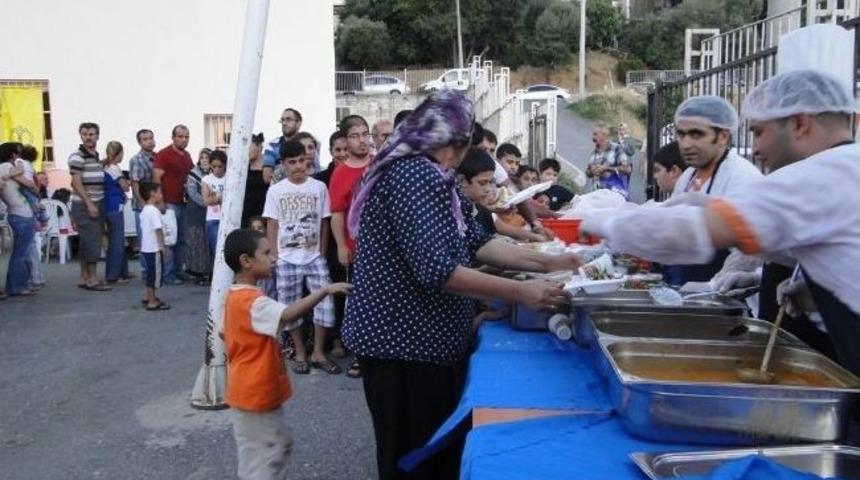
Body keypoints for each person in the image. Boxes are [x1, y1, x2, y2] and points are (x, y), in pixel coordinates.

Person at [343, 90, 581, 480]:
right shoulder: (413, 176)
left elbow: (477, 241)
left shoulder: (440, 178)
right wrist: (524, 291)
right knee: (413, 457)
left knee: (431, 453)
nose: (460, 151)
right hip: (403, 348)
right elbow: (439, 271)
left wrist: (550, 261)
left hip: (424, 345)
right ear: (448, 141)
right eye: (461, 142)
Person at [582, 70, 859, 374]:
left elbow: (688, 233)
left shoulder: (815, 178)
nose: (755, 148)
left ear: (800, 124)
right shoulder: (847, 168)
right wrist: (811, 291)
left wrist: (601, 223)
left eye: (758, 132)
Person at [222, 228, 351, 480]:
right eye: (267, 253)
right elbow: (289, 314)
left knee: (260, 451)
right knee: (270, 453)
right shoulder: (253, 301)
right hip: (255, 391)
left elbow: (222, 334)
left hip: (246, 389)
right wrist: (324, 291)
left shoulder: (233, 296)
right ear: (246, 261)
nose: (273, 258)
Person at [264, 139, 341, 376]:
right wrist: (274, 254)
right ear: (284, 164)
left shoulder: (318, 187)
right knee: (290, 305)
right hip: (286, 257)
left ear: (307, 160)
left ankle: (318, 351)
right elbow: (272, 223)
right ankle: (299, 351)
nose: (298, 166)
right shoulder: (276, 190)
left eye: (301, 161)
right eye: (292, 162)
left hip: (314, 255)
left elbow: (325, 221)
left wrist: (322, 249)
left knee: (325, 303)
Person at [669, 96, 763, 284]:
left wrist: (713, 287)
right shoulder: (688, 176)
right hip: (684, 281)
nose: (685, 144)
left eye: (696, 134)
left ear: (722, 137)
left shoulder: (742, 176)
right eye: (681, 134)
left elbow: (748, 251)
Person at [328, 115, 372, 378]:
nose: (362, 140)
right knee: (358, 301)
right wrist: (342, 246)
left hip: (384, 248)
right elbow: (337, 213)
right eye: (355, 136)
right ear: (345, 140)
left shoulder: (380, 164)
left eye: (365, 134)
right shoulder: (341, 172)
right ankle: (359, 353)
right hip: (357, 248)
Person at [314, 130, 349, 358]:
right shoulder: (321, 180)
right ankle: (336, 339)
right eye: (338, 150)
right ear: (330, 152)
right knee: (335, 290)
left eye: (346, 149)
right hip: (331, 243)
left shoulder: (365, 172)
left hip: (354, 239)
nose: (343, 154)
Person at [69, 122, 111, 291]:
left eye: (91, 134)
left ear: (97, 136)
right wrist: (89, 203)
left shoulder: (93, 156)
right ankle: (92, 279)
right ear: (81, 136)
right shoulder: (77, 156)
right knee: (92, 241)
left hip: (96, 202)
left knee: (87, 241)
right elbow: (76, 182)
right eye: (85, 134)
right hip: (86, 204)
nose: (88, 137)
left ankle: (84, 277)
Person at [153, 124, 194, 285]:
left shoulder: (187, 156)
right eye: (180, 136)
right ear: (173, 137)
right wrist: (160, 201)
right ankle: (168, 274)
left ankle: (179, 270)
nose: (184, 140)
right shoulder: (164, 155)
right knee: (170, 239)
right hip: (169, 203)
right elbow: (156, 178)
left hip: (183, 202)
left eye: (186, 137)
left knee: (182, 239)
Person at [0, 142, 37, 296]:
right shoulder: (8, 167)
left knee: (20, 252)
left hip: (15, 213)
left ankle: (16, 285)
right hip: (22, 213)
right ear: (13, 155)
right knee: (21, 252)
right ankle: (17, 286)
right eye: (18, 154)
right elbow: (29, 184)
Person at [16, 145, 46, 289]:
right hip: (30, 202)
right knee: (30, 243)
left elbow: (25, 186)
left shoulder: (20, 164)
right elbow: (31, 186)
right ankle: (36, 276)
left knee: (28, 244)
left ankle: (34, 277)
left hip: (25, 204)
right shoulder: (29, 167)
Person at [103, 141, 131, 285]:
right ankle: (113, 275)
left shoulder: (106, 167)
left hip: (109, 207)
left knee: (117, 239)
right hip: (115, 207)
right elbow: (125, 187)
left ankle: (122, 271)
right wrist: (129, 182)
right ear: (118, 153)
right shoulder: (114, 168)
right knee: (116, 242)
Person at [138, 182, 170, 311]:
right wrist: (162, 246)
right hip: (154, 247)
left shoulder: (144, 210)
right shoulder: (154, 211)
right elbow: (158, 229)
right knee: (155, 275)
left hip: (146, 247)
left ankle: (148, 296)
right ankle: (152, 300)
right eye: (159, 192)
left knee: (150, 273)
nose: (161, 195)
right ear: (152, 194)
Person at [129, 129, 157, 275]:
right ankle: (146, 271)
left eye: (151, 138)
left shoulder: (156, 157)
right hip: (143, 206)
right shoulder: (137, 159)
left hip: (155, 204)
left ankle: (155, 269)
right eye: (145, 139)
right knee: (145, 239)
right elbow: (135, 183)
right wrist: (142, 203)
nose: (149, 141)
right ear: (140, 142)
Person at [184, 148, 213, 285]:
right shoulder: (193, 174)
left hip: (212, 213)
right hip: (196, 212)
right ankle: (198, 273)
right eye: (202, 158)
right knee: (197, 243)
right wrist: (207, 202)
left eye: (207, 157)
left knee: (209, 243)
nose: (205, 160)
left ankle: (210, 271)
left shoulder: (216, 174)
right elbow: (193, 193)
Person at [585, 122, 631, 197]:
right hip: (596, 196)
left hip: (613, 196)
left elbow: (627, 169)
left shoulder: (617, 148)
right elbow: (587, 173)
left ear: (604, 135)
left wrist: (606, 168)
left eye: (595, 134)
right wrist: (591, 171)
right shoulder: (593, 154)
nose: (593, 137)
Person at [202, 150, 227, 269]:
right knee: (217, 249)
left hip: (227, 217)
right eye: (214, 167)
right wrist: (221, 197)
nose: (217, 170)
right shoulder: (207, 179)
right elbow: (206, 200)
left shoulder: (229, 178)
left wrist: (215, 196)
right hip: (213, 218)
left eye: (220, 167)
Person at [263, 107, 303, 178]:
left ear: (298, 123)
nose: (284, 123)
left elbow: (313, 171)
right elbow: (267, 177)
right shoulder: (272, 145)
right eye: (282, 120)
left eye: (288, 119)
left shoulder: (307, 144)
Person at [242, 133, 270, 229]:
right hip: (245, 215)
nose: (245, 150)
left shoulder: (269, 164)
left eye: (248, 146)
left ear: (258, 146)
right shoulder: (242, 167)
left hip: (264, 212)